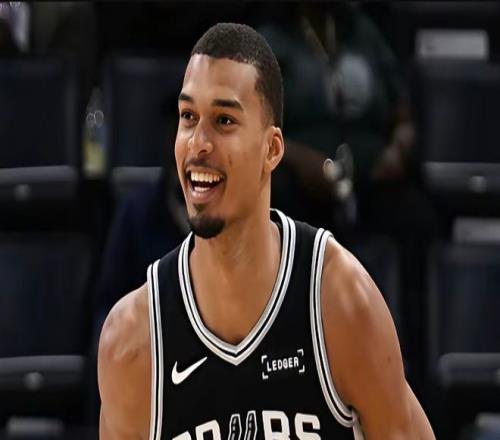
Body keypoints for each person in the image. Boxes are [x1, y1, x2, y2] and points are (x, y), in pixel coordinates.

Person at [98, 23, 434, 439]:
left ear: (272, 149)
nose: (198, 143)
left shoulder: (338, 301)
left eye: (223, 120)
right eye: (188, 117)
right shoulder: (133, 343)